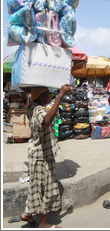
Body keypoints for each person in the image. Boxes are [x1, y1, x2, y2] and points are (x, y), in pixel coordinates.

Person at [20, 84, 71, 228]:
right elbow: (46, 120)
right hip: (42, 156)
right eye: (47, 94)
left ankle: (28, 214)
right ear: (41, 96)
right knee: (46, 189)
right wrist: (60, 95)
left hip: (39, 153)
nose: (50, 96)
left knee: (36, 187)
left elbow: (47, 117)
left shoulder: (31, 107)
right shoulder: (38, 110)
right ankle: (43, 223)